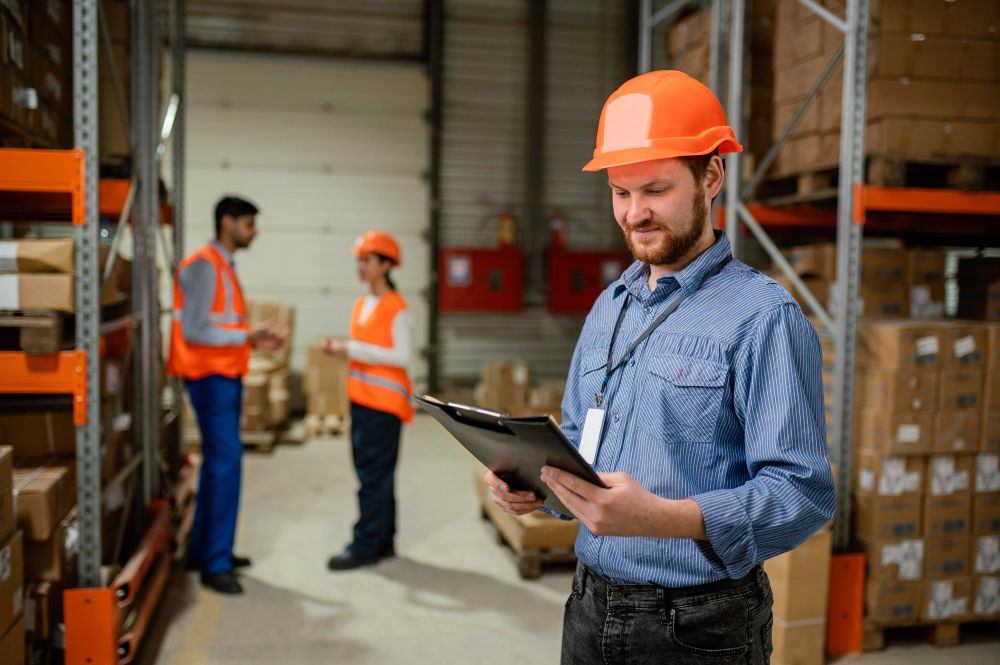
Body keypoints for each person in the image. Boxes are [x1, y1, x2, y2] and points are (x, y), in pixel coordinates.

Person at [485, 71, 836, 663]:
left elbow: (801, 494)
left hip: (700, 624)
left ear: (711, 177)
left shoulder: (762, 317)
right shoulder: (610, 307)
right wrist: (537, 486)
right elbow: (579, 441)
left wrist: (663, 518)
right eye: (621, 193)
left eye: (655, 189)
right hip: (589, 604)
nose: (635, 213)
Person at [168, 195, 288, 595]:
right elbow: (195, 331)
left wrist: (251, 341)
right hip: (210, 378)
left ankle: (205, 551)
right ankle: (215, 564)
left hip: (223, 374)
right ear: (227, 223)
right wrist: (247, 335)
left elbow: (220, 326)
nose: (253, 232)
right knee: (226, 462)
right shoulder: (204, 265)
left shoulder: (221, 265)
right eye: (249, 224)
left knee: (220, 464)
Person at [323, 230, 415, 571]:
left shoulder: (397, 307)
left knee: (372, 478)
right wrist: (342, 352)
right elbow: (367, 352)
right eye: (359, 259)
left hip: (384, 407)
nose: (360, 266)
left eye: (367, 260)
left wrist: (352, 349)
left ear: (387, 265)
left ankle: (365, 545)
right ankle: (384, 541)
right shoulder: (361, 304)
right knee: (378, 477)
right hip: (362, 401)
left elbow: (402, 356)